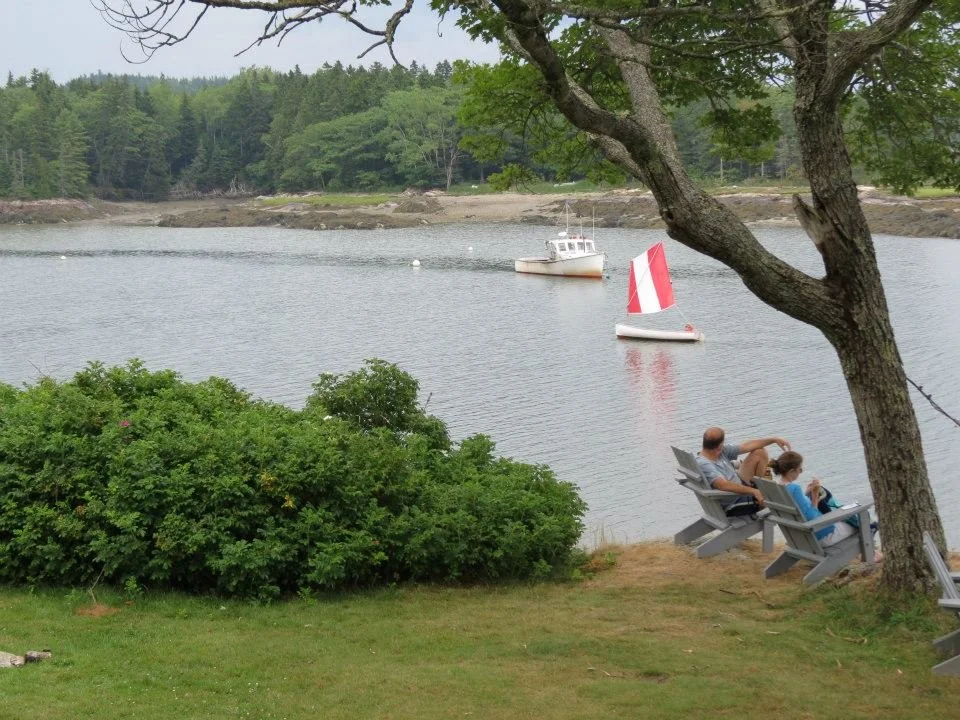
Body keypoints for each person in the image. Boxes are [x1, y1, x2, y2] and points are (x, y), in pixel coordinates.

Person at [769, 450, 882, 559]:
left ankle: (865, 552)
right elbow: (811, 517)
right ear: (791, 471)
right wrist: (814, 496)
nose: (800, 472)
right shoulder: (794, 488)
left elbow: (797, 509)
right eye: (800, 469)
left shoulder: (777, 489)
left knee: (847, 518)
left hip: (798, 538)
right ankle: (870, 555)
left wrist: (806, 494)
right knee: (860, 521)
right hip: (822, 536)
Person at [696, 426, 790, 516]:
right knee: (781, 501)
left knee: (759, 452)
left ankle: (763, 490)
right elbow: (722, 485)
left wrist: (774, 440)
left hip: (740, 487)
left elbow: (747, 446)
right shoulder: (704, 463)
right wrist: (754, 491)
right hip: (733, 501)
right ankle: (764, 498)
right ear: (719, 445)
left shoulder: (720, 451)